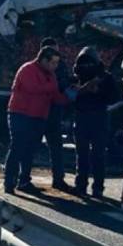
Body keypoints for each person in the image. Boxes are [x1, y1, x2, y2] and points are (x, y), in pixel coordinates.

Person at [4, 46, 69, 195]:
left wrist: (70, 96)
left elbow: (54, 96)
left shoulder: (50, 75)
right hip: (20, 114)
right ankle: (9, 181)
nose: (55, 66)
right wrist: (53, 88)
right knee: (17, 146)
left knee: (30, 149)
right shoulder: (27, 69)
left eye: (57, 63)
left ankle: (24, 180)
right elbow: (33, 88)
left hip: (38, 116)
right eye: (53, 62)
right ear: (43, 60)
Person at [71, 47, 118, 198]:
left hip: (97, 118)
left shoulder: (105, 77)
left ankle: (96, 187)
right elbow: (68, 98)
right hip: (83, 118)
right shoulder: (76, 77)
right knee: (83, 155)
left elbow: (113, 97)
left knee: (96, 155)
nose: (86, 67)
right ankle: (82, 186)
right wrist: (81, 90)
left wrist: (97, 91)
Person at [39, 37, 71, 191]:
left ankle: (58, 179)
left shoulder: (58, 66)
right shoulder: (37, 68)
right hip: (41, 111)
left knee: (55, 147)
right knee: (31, 145)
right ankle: (22, 177)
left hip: (50, 111)